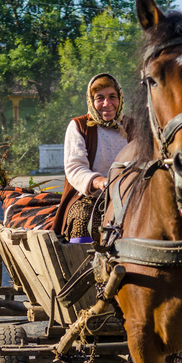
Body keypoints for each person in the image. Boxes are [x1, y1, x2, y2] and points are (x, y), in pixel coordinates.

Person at [53, 73, 132, 240]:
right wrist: (100, 182)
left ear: (120, 98)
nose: (107, 104)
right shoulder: (79, 126)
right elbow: (75, 168)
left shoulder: (132, 126)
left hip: (130, 196)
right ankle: (81, 265)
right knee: (83, 220)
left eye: (112, 96)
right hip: (91, 198)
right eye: (99, 98)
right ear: (91, 100)